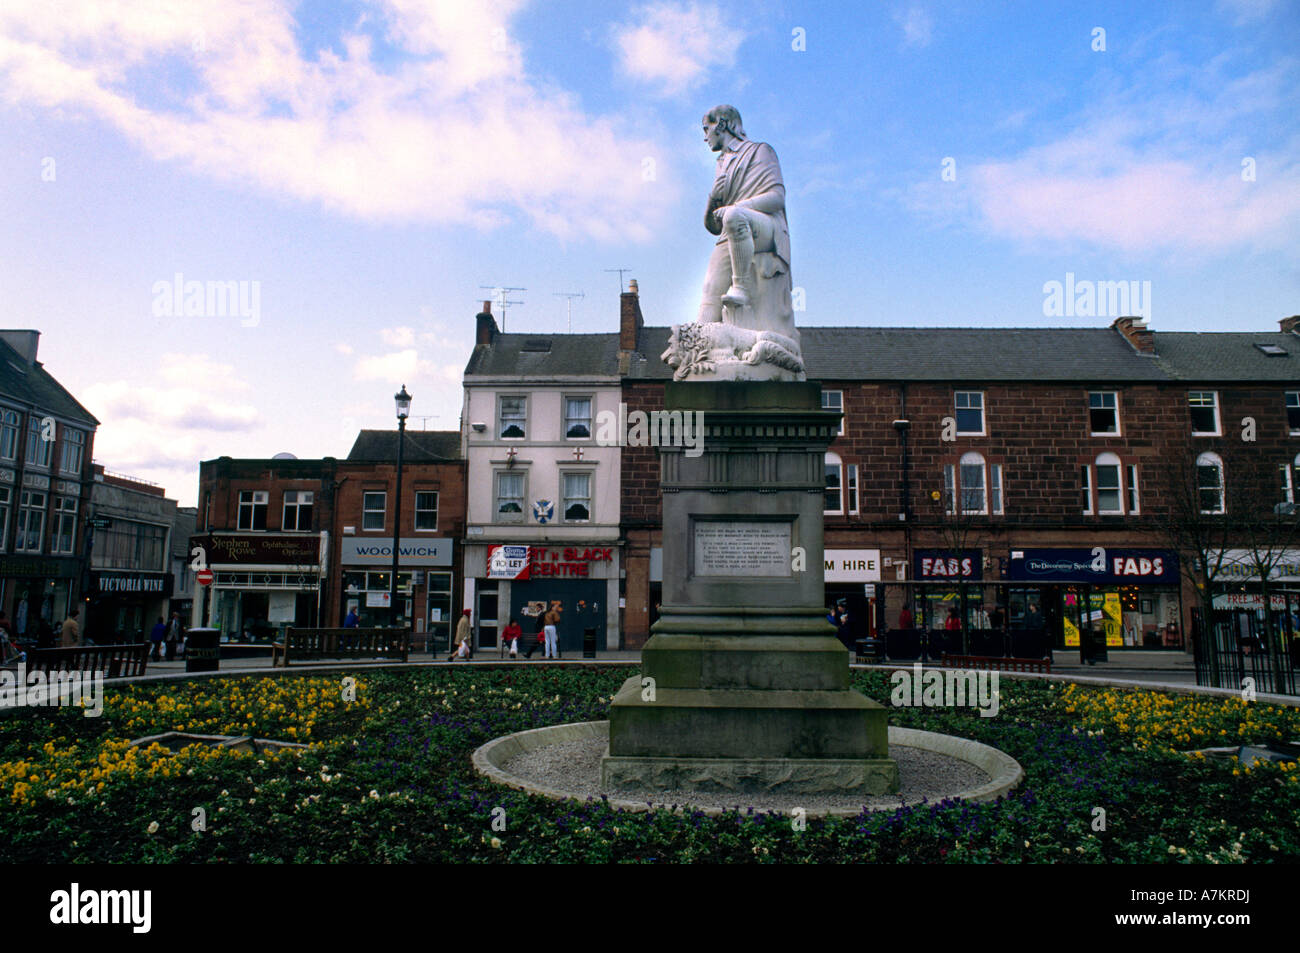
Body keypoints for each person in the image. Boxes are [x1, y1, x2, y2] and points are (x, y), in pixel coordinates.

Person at [697, 105, 792, 333]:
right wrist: (713, 198)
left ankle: (740, 288)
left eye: (705, 129)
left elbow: (777, 198)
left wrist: (736, 208)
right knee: (710, 291)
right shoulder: (721, 164)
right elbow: (712, 225)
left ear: (720, 124)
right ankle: (699, 353)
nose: (704, 137)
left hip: (767, 229)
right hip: (731, 230)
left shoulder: (760, 151)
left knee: (734, 216)